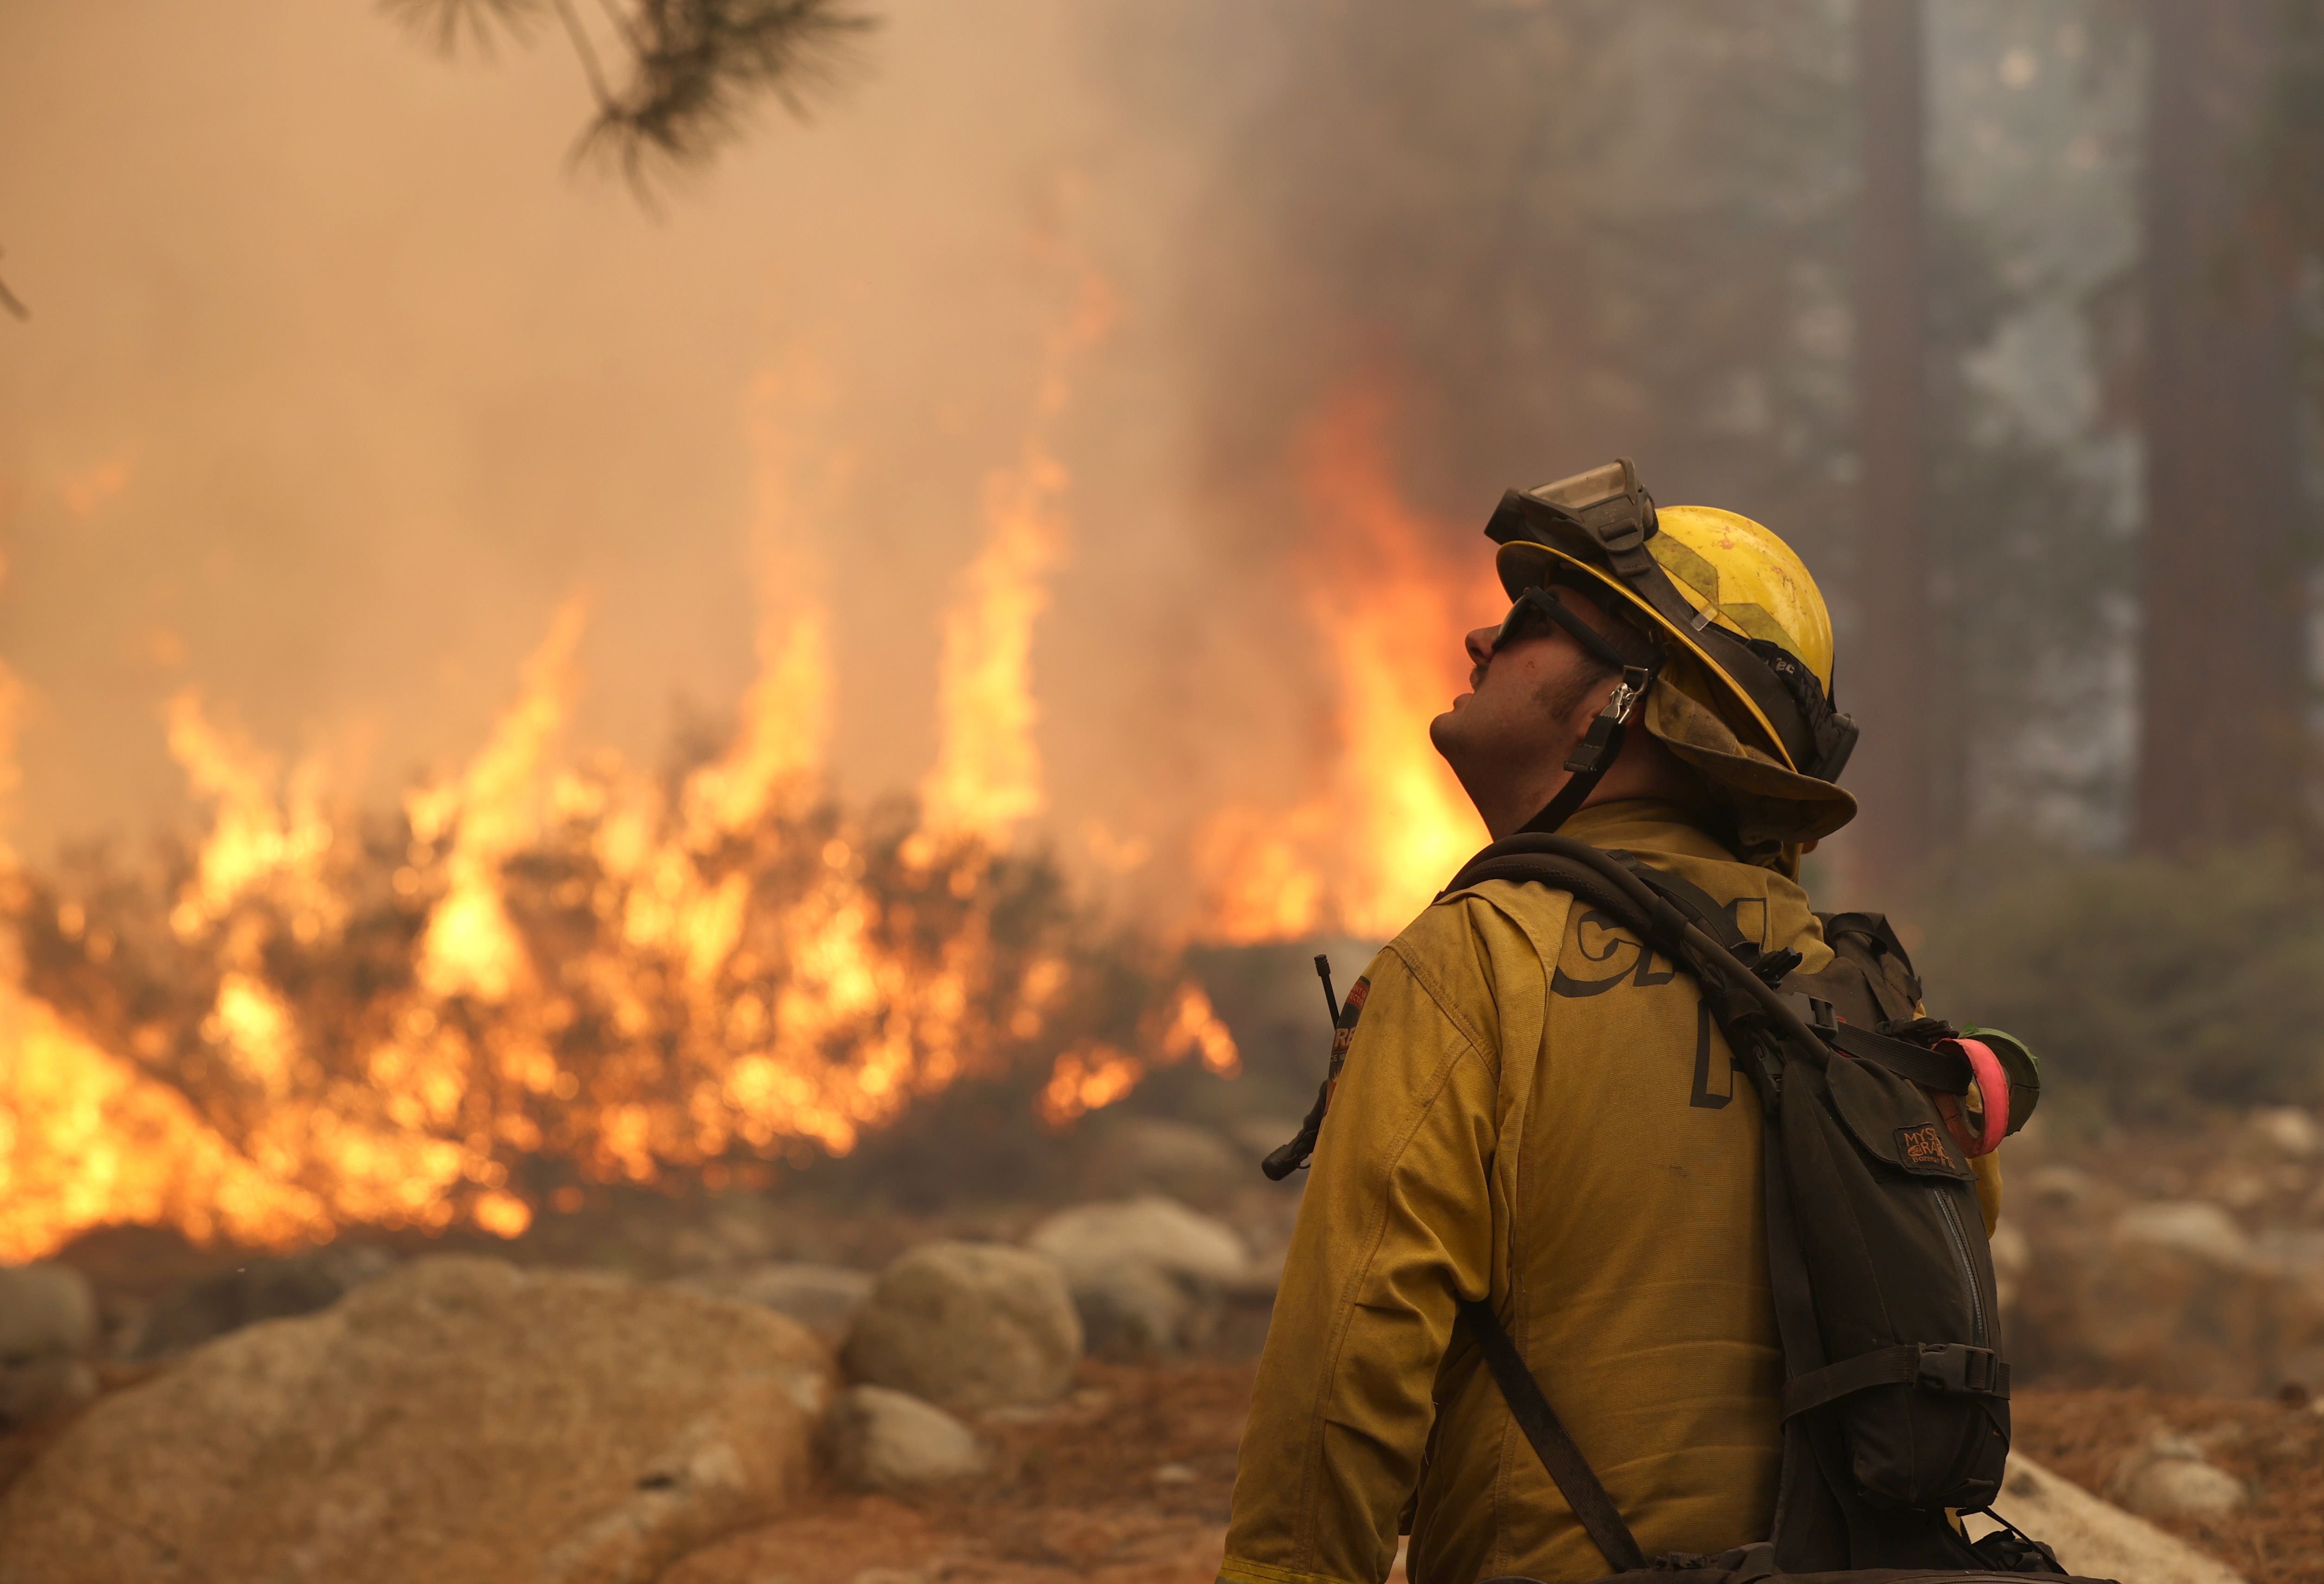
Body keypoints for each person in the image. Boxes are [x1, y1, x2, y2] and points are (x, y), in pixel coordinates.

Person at [1218, 461, 2003, 1584]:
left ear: (1630, 696)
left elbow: (1347, 1363)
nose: (1480, 638)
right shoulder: (1871, 1003)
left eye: (1536, 615)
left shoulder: (1479, 963)